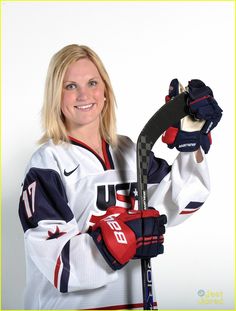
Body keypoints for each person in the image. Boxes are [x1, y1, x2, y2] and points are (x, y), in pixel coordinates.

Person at [18, 44, 222, 310]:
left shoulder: (128, 151)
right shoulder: (46, 164)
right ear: (56, 96)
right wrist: (121, 236)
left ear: (105, 92)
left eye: (92, 82)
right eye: (70, 86)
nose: (83, 94)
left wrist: (190, 145)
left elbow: (179, 204)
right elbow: (59, 266)